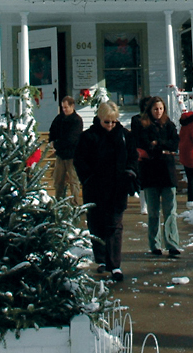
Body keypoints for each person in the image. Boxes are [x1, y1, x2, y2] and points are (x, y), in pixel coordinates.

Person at [74, 101, 137, 283]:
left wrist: (130, 172)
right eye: (106, 122)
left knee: (115, 225)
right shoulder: (88, 137)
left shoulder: (125, 136)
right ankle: (101, 258)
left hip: (117, 187)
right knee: (96, 225)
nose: (110, 125)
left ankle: (115, 264)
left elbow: (132, 156)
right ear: (99, 119)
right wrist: (88, 179)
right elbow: (79, 160)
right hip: (95, 188)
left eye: (113, 122)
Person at [137, 96, 181, 257]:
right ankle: (154, 244)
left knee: (170, 210)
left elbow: (174, 144)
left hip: (167, 172)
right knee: (154, 212)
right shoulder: (144, 126)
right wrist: (159, 147)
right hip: (150, 173)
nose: (158, 112)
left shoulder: (169, 125)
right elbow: (144, 144)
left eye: (161, 109)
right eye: (155, 109)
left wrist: (159, 144)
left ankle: (172, 243)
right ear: (150, 110)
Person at [48, 95, 84, 204]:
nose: (64, 109)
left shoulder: (77, 120)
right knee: (58, 180)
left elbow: (71, 138)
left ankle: (75, 203)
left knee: (73, 181)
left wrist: (57, 144)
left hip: (72, 155)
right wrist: (52, 141)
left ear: (72, 106)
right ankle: (58, 201)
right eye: (63, 107)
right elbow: (53, 130)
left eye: (66, 107)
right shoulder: (59, 118)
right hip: (60, 155)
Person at [130, 96, 152, 215]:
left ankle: (151, 203)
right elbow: (135, 137)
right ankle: (144, 205)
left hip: (153, 152)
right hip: (141, 152)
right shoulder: (136, 120)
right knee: (142, 179)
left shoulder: (156, 120)